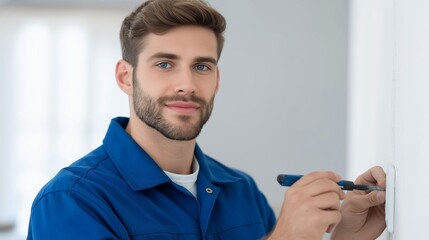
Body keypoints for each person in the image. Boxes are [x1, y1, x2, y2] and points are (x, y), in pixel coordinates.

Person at [27, 0, 386, 239]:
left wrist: (345, 238)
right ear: (125, 77)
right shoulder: (71, 201)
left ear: (216, 80)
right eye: (164, 64)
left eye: (201, 66)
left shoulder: (241, 190)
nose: (186, 85)